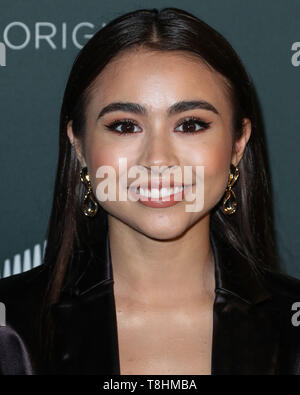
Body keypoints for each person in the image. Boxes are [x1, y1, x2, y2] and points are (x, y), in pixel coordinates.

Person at [0, 7, 300, 375]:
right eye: (125, 126)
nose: (158, 160)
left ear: (238, 143)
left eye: (190, 125)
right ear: (78, 146)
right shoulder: (8, 329)